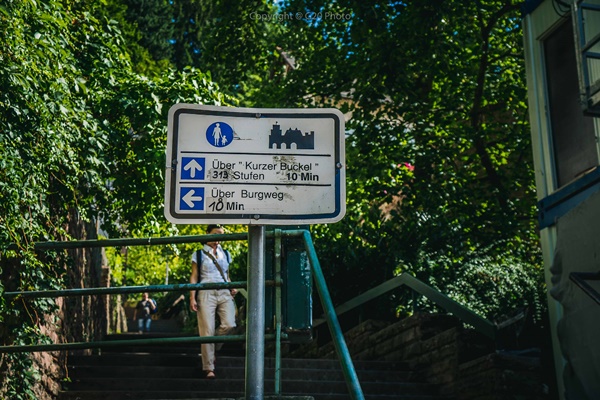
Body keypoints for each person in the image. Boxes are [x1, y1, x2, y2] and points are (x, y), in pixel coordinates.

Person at [190, 224, 237, 379]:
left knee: (229, 324)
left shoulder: (226, 253)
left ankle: (212, 348)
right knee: (207, 331)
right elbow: (194, 276)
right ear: (207, 234)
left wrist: (231, 286)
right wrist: (192, 296)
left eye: (221, 235)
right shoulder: (199, 254)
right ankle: (209, 368)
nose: (219, 238)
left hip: (224, 291)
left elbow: (226, 274)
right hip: (206, 291)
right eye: (216, 234)